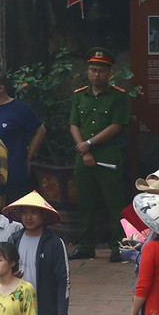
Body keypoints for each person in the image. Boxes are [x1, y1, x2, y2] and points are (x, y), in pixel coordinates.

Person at [68, 47, 130, 261]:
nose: (96, 74)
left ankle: (118, 246)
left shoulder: (118, 97)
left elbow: (116, 126)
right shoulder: (79, 96)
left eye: (101, 71)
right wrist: (82, 147)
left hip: (108, 155)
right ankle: (86, 246)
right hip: (82, 156)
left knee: (115, 203)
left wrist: (89, 143)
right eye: (93, 70)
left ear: (109, 73)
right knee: (85, 202)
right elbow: (73, 124)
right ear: (88, 71)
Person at [0, 69, 45, 202]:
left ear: (1, 88)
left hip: (14, 171)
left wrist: (28, 157)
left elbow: (40, 130)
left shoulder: (20, 109)